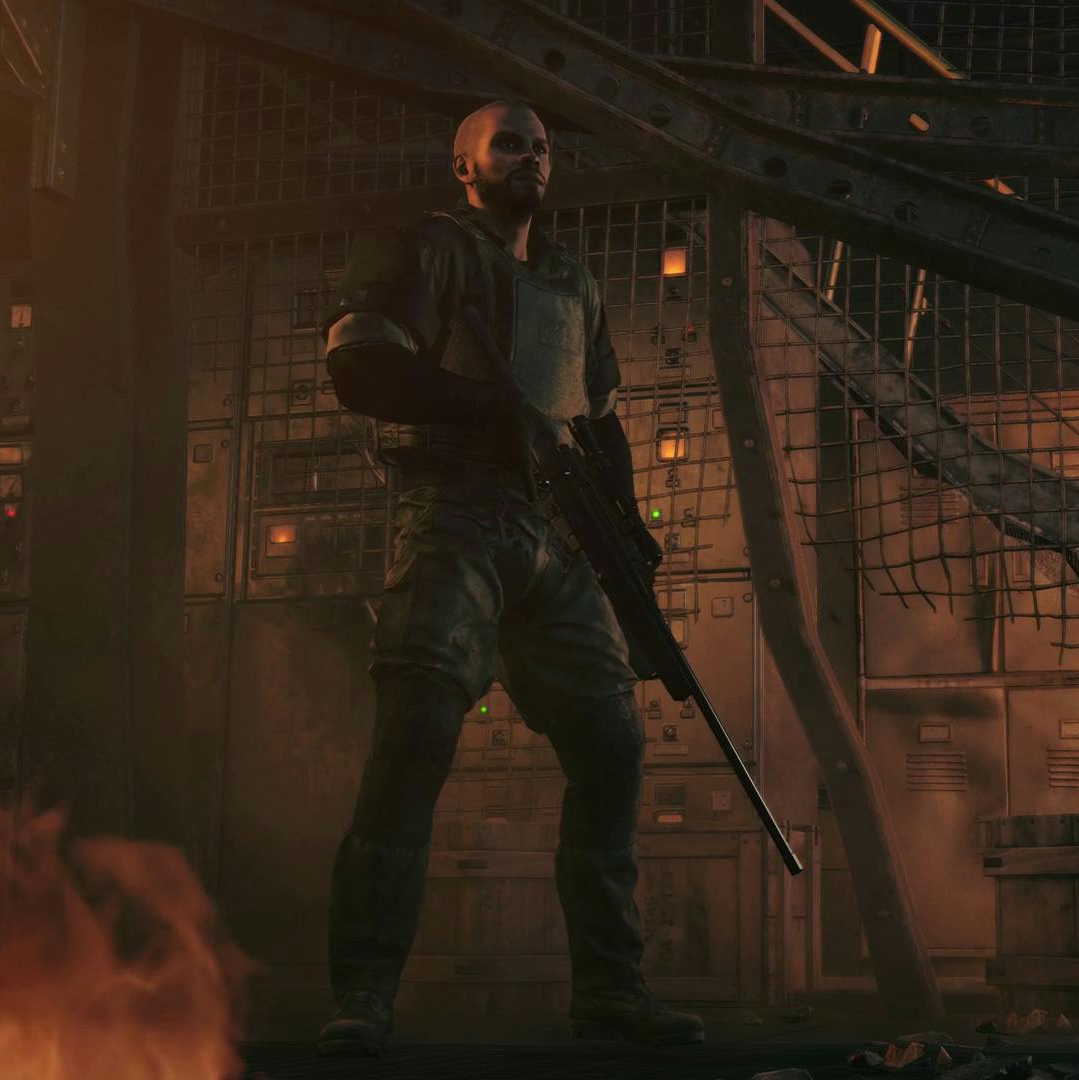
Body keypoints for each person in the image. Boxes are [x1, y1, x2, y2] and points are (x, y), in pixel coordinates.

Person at [314, 99, 704, 1058]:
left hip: (557, 536)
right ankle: (362, 993)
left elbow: (597, 416)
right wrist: (491, 408)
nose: (531, 157)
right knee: (415, 737)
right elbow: (362, 366)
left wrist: (624, 526)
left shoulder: (572, 280)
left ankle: (612, 992)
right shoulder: (428, 249)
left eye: (543, 147)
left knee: (612, 748)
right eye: (510, 144)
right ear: (465, 164)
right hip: (454, 512)